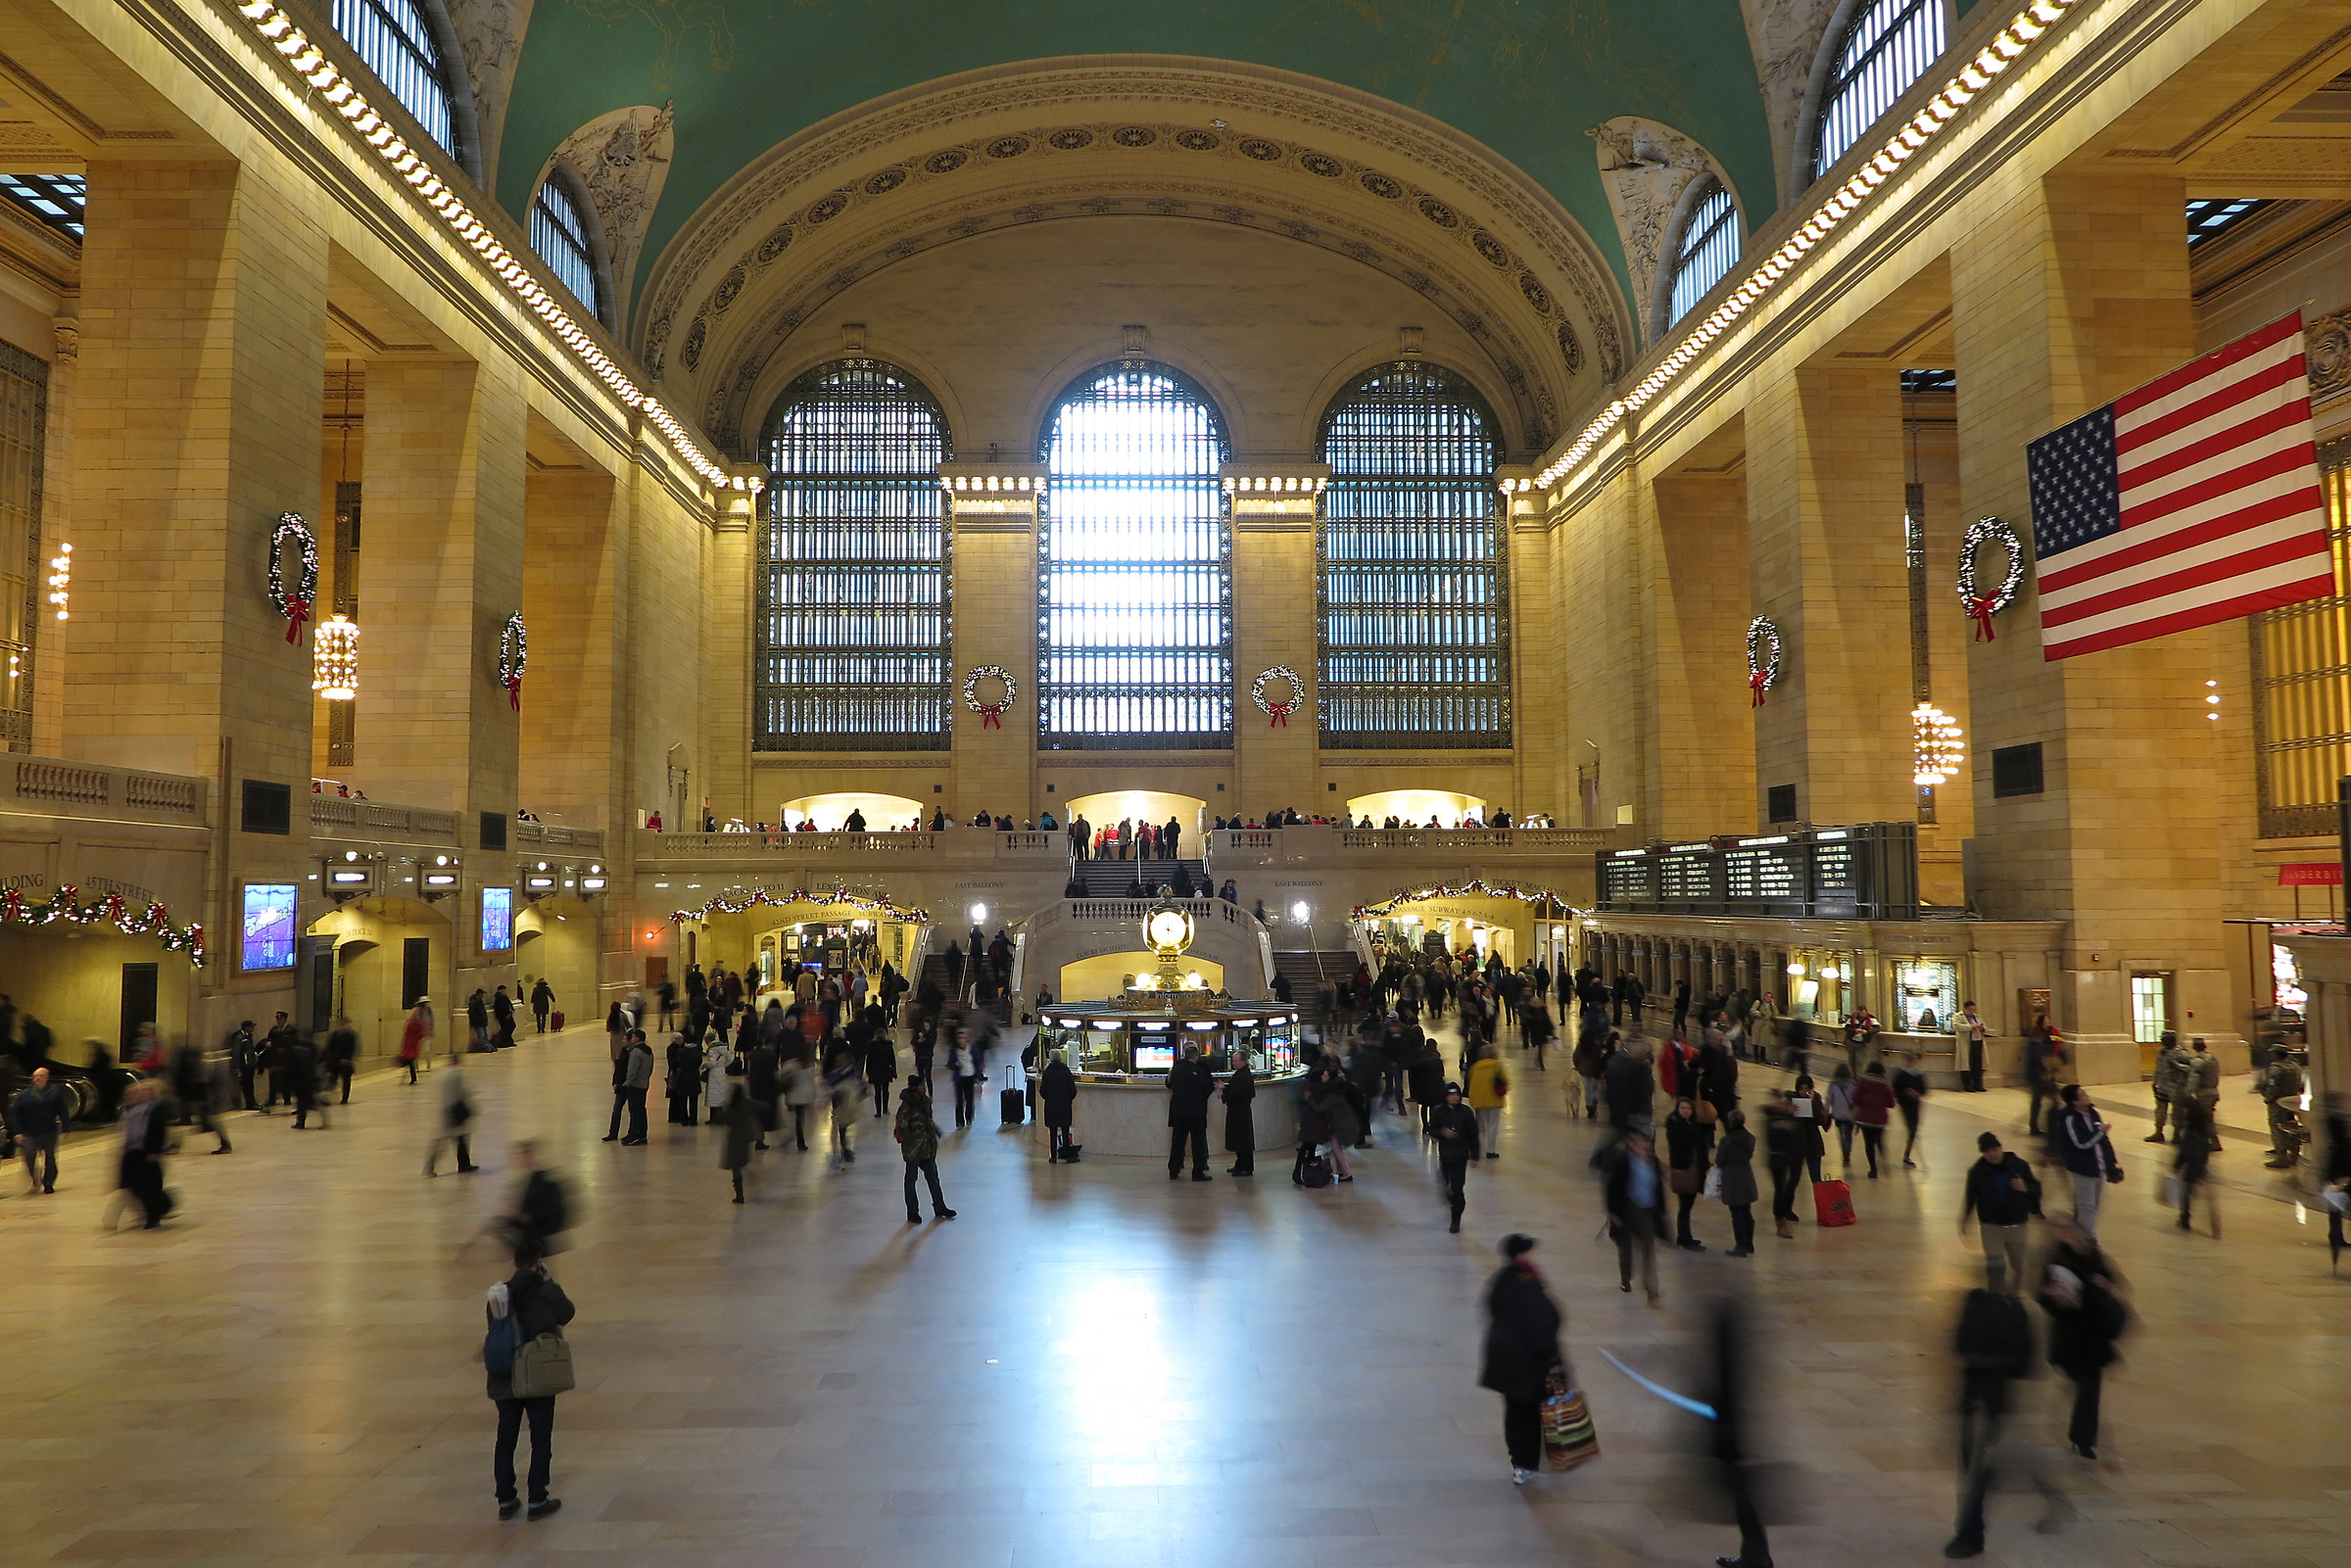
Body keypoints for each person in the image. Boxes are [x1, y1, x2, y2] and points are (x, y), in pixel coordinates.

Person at [1947, 1285, 2063, 1557]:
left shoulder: (1979, 1307)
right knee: (1981, 1473)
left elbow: (1959, 1347)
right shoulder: (2010, 1311)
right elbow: (2028, 1365)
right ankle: (1970, 1531)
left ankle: (1969, 1535)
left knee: (1978, 1475)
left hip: (1985, 1409)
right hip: (1989, 1408)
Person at [484, 1241, 575, 1520]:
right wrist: (550, 1282)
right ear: (539, 1261)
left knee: (506, 1438)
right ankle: (537, 1499)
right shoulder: (544, 1291)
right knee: (540, 1437)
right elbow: (567, 1313)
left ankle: (506, 1500)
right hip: (538, 1375)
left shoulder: (500, 1295)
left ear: (514, 1262)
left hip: (505, 1377)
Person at [1479, 1233, 1563, 1485]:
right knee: (1529, 1413)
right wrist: (1552, 1358)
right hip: (1528, 1362)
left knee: (1515, 1412)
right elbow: (1541, 1326)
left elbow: (1492, 1309)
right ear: (1521, 1255)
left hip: (1505, 1359)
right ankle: (1526, 1463)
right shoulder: (1529, 1283)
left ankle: (1520, 1460)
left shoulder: (1500, 1279)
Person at [2039, 1215, 2126, 1459]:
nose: (2066, 1234)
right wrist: (2052, 1295)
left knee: (2090, 1387)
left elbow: (2115, 1282)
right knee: (2085, 1383)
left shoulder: (2094, 1256)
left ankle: (2083, 1439)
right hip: (2070, 1335)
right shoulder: (2054, 1260)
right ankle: (2082, 1435)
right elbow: (2043, 1295)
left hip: (2093, 1335)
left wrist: (2104, 1284)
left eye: (2068, 1229)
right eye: (2061, 1230)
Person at [1959, 1132, 2040, 1293]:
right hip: (1991, 1225)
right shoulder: (1977, 1172)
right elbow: (1970, 1197)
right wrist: (1965, 1219)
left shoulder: (2020, 1166)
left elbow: (2036, 1189)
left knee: (2019, 1265)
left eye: (1994, 1150)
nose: (1992, 1154)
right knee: (1995, 1263)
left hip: (2017, 1224)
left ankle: (2015, 1296)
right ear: (1983, 1153)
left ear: (2000, 1148)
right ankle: (1996, 1297)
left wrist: (2025, 1187)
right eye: (1987, 1151)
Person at [1598, 1126, 1666, 1301]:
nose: (1638, 1145)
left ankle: (1651, 1287)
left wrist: (1661, 1211)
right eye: (1634, 1141)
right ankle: (1626, 1278)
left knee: (1647, 1249)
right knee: (1625, 1248)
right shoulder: (1621, 1161)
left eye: (1641, 1141)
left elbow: (1658, 1188)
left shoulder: (1653, 1162)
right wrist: (1612, 1212)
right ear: (1629, 1143)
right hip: (1627, 1210)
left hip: (1646, 1210)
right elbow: (1611, 1187)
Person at [2051, 1085, 2121, 1239]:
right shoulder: (2069, 1119)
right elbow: (2080, 1143)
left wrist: (2110, 1163)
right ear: (2075, 1101)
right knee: (2087, 1206)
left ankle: (2081, 1233)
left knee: (2094, 1205)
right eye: (2082, 1095)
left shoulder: (2093, 1113)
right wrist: (2100, 1132)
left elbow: (2103, 1141)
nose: (2086, 1096)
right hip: (2082, 1167)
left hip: (2098, 1166)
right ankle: (2088, 1239)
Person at [110, 1078, 172, 1229]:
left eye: (147, 1091)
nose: (142, 1094)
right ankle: (159, 1208)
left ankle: (154, 1216)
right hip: (132, 1153)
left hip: (148, 1152)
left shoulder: (155, 1109)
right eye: (141, 1091)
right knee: (132, 1186)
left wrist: (156, 1150)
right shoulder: (130, 1109)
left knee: (150, 1187)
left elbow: (160, 1132)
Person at [894, 1073, 956, 1222]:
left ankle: (940, 1207)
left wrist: (937, 1132)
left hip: (927, 1148)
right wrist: (912, 1143)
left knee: (933, 1178)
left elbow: (928, 1120)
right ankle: (912, 1212)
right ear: (915, 1087)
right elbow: (902, 1127)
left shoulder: (925, 1102)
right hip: (913, 1150)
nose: (925, 1087)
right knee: (911, 1180)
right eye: (922, 1085)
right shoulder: (906, 1107)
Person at [1430, 1081, 1482, 1231]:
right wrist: (1442, 1132)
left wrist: (1475, 1155)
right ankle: (1450, 1196)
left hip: (1460, 1155)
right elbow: (1432, 1128)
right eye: (1451, 1095)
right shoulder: (1439, 1111)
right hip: (1446, 1155)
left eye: (1456, 1094)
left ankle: (1456, 1218)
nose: (1454, 1097)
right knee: (1445, 1185)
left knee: (1458, 1188)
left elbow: (1473, 1134)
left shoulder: (1466, 1112)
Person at [10, 1066, 69, 1193]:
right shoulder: (24, 1095)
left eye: (40, 1076)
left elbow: (63, 1110)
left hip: (49, 1131)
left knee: (50, 1158)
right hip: (29, 1132)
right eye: (35, 1076)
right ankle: (34, 1175)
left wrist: (65, 1128)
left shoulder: (54, 1093)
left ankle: (48, 1183)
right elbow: (17, 1114)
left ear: (46, 1078)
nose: (37, 1079)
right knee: (29, 1156)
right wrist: (17, 1132)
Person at [1665, 1095, 1711, 1252]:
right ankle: (1686, 1238)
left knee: (1686, 1206)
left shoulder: (1693, 1124)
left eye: (1688, 1108)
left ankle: (1683, 1236)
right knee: (1685, 1206)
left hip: (1693, 1169)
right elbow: (1681, 1146)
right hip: (1685, 1170)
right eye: (1682, 1108)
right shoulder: (1675, 1125)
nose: (1685, 1111)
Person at [1166, 1043, 1215, 1181]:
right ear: (1195, 1056)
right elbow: (1208, 1088)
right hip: (1196, 1111)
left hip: (1178, 1110)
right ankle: (1197, 1172)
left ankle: (1173, 1170)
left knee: (1178, 1141)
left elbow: (1170, 1084)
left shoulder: (1176, 1069)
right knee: (1197, 1142)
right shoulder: (1199, 1070)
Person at [426, 1050, 479, 1176]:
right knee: (461, 1139)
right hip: (456, 1112)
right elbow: (466, 1091)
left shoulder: (442, 1074)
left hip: (445, 1111)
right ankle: (464, 1165)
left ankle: (430, 1166)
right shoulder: (457, 1074)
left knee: (442, 1140)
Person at [2173, 1094, 2219, 1236]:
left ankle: (2184, 1217)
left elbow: (2185, 1148)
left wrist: (2177, 1164)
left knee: (2186, 1190)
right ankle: (2214, 1224)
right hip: (2202, 1160)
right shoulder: (2203, 1121)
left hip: (2192, 1161)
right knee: (2200, 1191)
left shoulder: (2190, 1126)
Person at [1715, 1109, 1759, 1257]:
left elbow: (1720, 1161)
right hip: (1746, 1177)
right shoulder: (1750, 1139)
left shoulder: (1726, 1141)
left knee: (1736, 1214)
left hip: (1732, 1179)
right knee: (1747, 1212)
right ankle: (1749, 1243)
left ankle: (1740, 1245)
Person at [2262, 1047, 2307, 1168]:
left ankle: (2281, 1157)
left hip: (2278, 1103)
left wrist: (2268, 1098)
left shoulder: (2276, 1069)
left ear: (2276, 1054)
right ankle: (2294, 1154)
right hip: (2292, 1101)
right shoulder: (2295, 1067)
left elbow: (2273, 1086)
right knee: (2292, 1127)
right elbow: (2301, 1085)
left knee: (2278, 1128)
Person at [719, 1061, 758, 1202]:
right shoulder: (747, 1103)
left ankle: (739, 1193)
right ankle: (747, 1185)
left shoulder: (731, 1108)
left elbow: (722, 1119)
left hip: (734, 1139)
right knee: (743, 1163)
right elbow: (762, 1107)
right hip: (745, 1137)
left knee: (736, 1167)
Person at [1465, 1041, 1510, 1160]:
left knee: (1480, 1127)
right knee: (1493, 1126)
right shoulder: (1498, 1066)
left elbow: (1471, 1083)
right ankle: (1491, 1151)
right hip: (1494, 1100)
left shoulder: (1475, 1067)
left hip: (1479, 1101)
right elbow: (1506, 1080)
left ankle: (1477, 1149)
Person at [1851, 1061, 1895, 1178]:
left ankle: (1873, 1169)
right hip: (1880, 1119)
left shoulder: (1862, 1082)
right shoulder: (1886, 1086)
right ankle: (1884, 1159)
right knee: (1880, 1141)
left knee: (1869, 1143)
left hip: (1866, 1118)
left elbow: (1855, 1098)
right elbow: (1891, 1104)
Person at [2024, 1016, 2063, 1136]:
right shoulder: (2035, 1037)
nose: (2048, 1023)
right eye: (2045, 1021)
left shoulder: (2050, 1034)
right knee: (2038, 1101)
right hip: (2038, 1076)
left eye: (2048, 1021)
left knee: (2054, 1100)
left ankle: (2051, 1125)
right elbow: (2035, 1058)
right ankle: (2036, 1126)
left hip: (2048, 1074)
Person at [2148, 1029, 2187, 1143]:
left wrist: (2176, 1065)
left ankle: (2177, 1133)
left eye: (2164, 1039)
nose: (2162, 1041)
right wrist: (2154, 1082)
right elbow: (2158, 1068)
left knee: (2178, 1111)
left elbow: (2189, 1070)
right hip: (2162, 1085)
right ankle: (2158, 1132)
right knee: (2160, 1109)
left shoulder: (2181, 1053)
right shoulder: (2161, 1051)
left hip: (2176, 1087)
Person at [1221, 1053, 1255, 1175]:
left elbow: (1236, 1093)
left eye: (1236, 1061)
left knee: (1242, 1140)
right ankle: (1240, 1164)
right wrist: (1225, 1087)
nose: (1234, 1063)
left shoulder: (1244, 1075)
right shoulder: (1241, 1073)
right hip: (1237, 1111)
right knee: (1238, 1139)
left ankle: (1246, 1167)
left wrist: (1224, 1093)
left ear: (1244, 1061)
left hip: (1241, 1112)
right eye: (1233, 1061)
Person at [1042, 1049, 1079, 1164]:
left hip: (1051, 1106)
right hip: (1064, 1105)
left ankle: (1053, 1156)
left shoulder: (1047, 1072)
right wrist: (1068, 1099)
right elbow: (1073, 1090)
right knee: (1065, 1130)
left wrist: (1049, 1098)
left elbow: (1042, 1091)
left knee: (1052, 1132)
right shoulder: (1066, 1071)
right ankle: (1068, 1156)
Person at [1893, 1052, 1928, 1167]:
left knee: (1913, 1130)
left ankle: (1907, 1154)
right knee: (1911, 1130)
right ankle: (1907, 1155)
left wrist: (1917, 1093)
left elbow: (1924, 1090)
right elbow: (1895, 1089)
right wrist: (1906, 1093)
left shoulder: (1919, 1075)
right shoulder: (1901, 1075)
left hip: (1915, 1105)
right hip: (1906, 1105)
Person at [1826, 1064, 1858, 1171]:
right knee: (1848, 1136)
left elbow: (1829, 1100)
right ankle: (1847, 1155)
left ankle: (1844, 1152)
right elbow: (1856, 1100)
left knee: (1840, 1135)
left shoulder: (1834, 1085)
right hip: (1850, 1115)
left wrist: (1826, 1111)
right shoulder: (1853, 1085)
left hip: (1838, 1114)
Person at [1957, 1001, 1987, 1093]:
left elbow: (1984, 1026)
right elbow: (1956, 1026)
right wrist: (1970, 1027)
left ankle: (1978, 1084)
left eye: (1973, 1009)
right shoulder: (1958, 1016)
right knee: (1967, 1065)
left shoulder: (1977, 1016)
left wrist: (1982, 1028)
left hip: (1978, 1041)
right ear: (1965, 1009)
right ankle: (1968, 1085)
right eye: (1970, 1009)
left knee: (1978, 1064)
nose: (1972, 1011)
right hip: (1967, 1043)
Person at [399, 1001, 430, 1085]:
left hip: (412, 1044)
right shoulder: (415, 1022)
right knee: (410, 1061)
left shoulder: (414, 1023)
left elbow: (409, 1032)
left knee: (409, 1061)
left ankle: (411, 1078)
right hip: (411, 1044)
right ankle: (412, 1078)